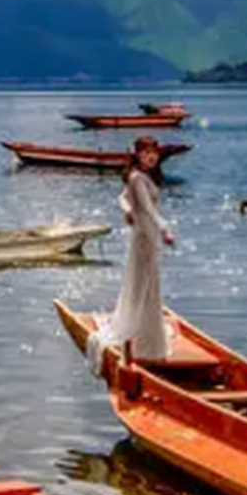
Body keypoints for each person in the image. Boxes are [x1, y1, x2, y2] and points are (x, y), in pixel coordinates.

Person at [86, 135, 175, 376]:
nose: (151, 156)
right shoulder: (137, 178)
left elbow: (123, 199)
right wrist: (165, 229)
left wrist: (128, 210)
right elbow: (147, 209)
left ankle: (144, 342)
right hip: (146, 237)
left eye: (153, 152)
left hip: (145, 235)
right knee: (142, 288)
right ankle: (138, 344)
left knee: (146, 288)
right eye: (145, 153)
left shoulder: (141, 177)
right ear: (137, 154)